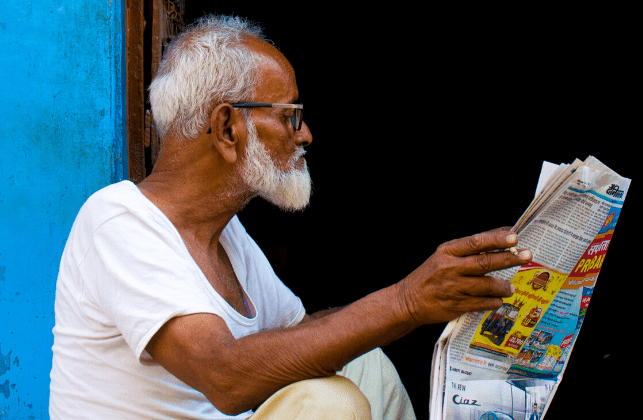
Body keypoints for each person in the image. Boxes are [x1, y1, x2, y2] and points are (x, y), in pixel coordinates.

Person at [48, 15, 531, 420]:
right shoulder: (118, 220)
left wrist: (434, 298)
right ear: (227, 128)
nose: (306, 136)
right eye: (290, 116)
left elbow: (299, 337)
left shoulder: (225, 235)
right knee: (329, 403)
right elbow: (226, 377)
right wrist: (406, 301)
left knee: (366, 364)